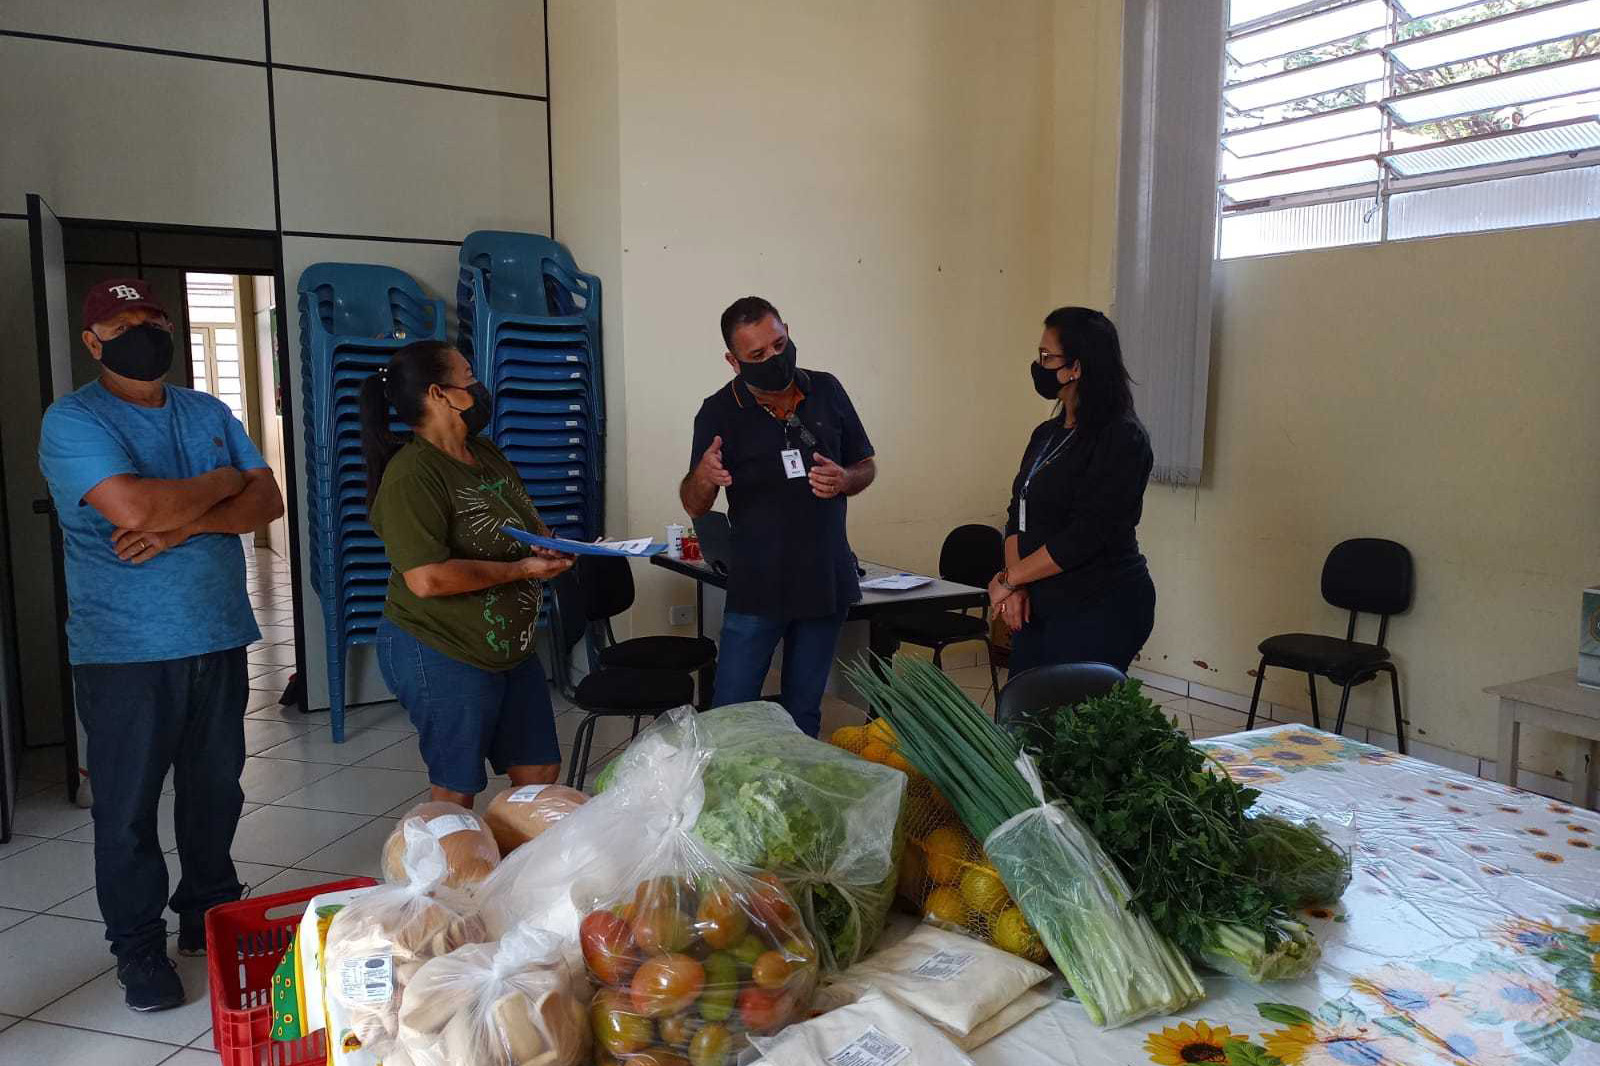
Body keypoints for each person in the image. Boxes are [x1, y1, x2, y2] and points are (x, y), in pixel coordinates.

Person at [37, 277, 285, 1012]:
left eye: (152, 319)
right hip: (125, 651)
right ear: (93, 342)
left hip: (218, 633)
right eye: (123, 325)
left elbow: (268, 499)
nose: (143, 334)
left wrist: (188, 522)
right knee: (127, 811)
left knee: (215, 793)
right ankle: (138, 947)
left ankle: (207, 915)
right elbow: (134, 506)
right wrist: (222, 481)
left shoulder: (206, 410)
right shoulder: (74, 419)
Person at [362, 341, 573, 811]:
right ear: (439, 394)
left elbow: (522, 522)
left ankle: (512, 859)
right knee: (457, 788)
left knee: (538, 772)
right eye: (469, 376)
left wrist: (546, 544)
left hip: (510, 649)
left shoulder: (484, 452)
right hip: (442, 647)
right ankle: (454, 859)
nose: (479, 386)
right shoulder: (412, 475)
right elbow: (426, 579)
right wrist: (520, 569)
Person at [681, 297, 876, 737]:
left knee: (803, 713)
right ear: (734, 362)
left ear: (787, 330)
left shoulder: (826, 389)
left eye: (779, 344)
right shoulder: (717, 411)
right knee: (731, 714)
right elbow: (695, 504)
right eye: (757, 355)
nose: (773, 358)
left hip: (824, 578)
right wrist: (704, 476)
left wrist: (846, 478)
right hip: (758, 584)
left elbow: (865, 466)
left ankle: (794, 781)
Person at [989, 307, 1155, 676]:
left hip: (1099, 605)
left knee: (1070, 709)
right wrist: (1016, 586)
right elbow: (1018, 514)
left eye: (1047, 356)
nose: (1039, 364)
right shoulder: (1045, 435)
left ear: (1076, 367)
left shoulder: (1122, 437)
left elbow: (1086, 535)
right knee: (1023, 706)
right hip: (1038, 602)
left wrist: (1008, 579)